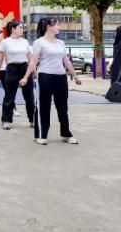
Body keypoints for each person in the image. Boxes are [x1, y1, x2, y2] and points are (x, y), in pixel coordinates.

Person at [21, 17, 82, 145]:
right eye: (57, 25)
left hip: (60, 76)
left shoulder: (60, 43)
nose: (59, 27)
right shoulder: (39, 42)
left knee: (63, 106)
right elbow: (33, 61)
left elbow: (66, 60)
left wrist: (75, 76)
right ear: (49, 27)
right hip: (45, 76)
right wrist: (26, 77)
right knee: (43, 106)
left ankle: (66, 134)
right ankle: (41, 135)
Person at [0, 19, 35, 130]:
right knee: (9, 96)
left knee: (29, 96)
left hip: (25, 68)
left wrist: (34, 71)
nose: (22, 30)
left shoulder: (25, 42)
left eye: (23, 28)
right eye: (20, 28)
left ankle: (32, 119)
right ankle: (6, 120)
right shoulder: (5, 42)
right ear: (13, 29)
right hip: (12, 69)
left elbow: (30, 58)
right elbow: (0, 59)